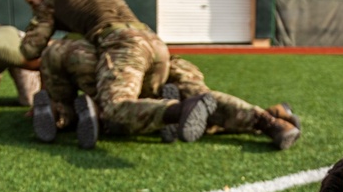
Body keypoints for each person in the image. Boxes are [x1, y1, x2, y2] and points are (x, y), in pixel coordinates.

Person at [20, 0, 225, 148]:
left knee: (115, 106)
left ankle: (175, 112)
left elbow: (31, 49)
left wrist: (39, 6)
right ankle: (256, 119)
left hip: (121, 43)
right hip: (154, 43)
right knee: (150, 98)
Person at [32, 33, 301, 150]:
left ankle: (78, 117)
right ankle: (270, 118)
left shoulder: (84, 36)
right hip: (163, 64)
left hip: (146, 69)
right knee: (203, 107)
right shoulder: (114, 18)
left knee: (198, 105)